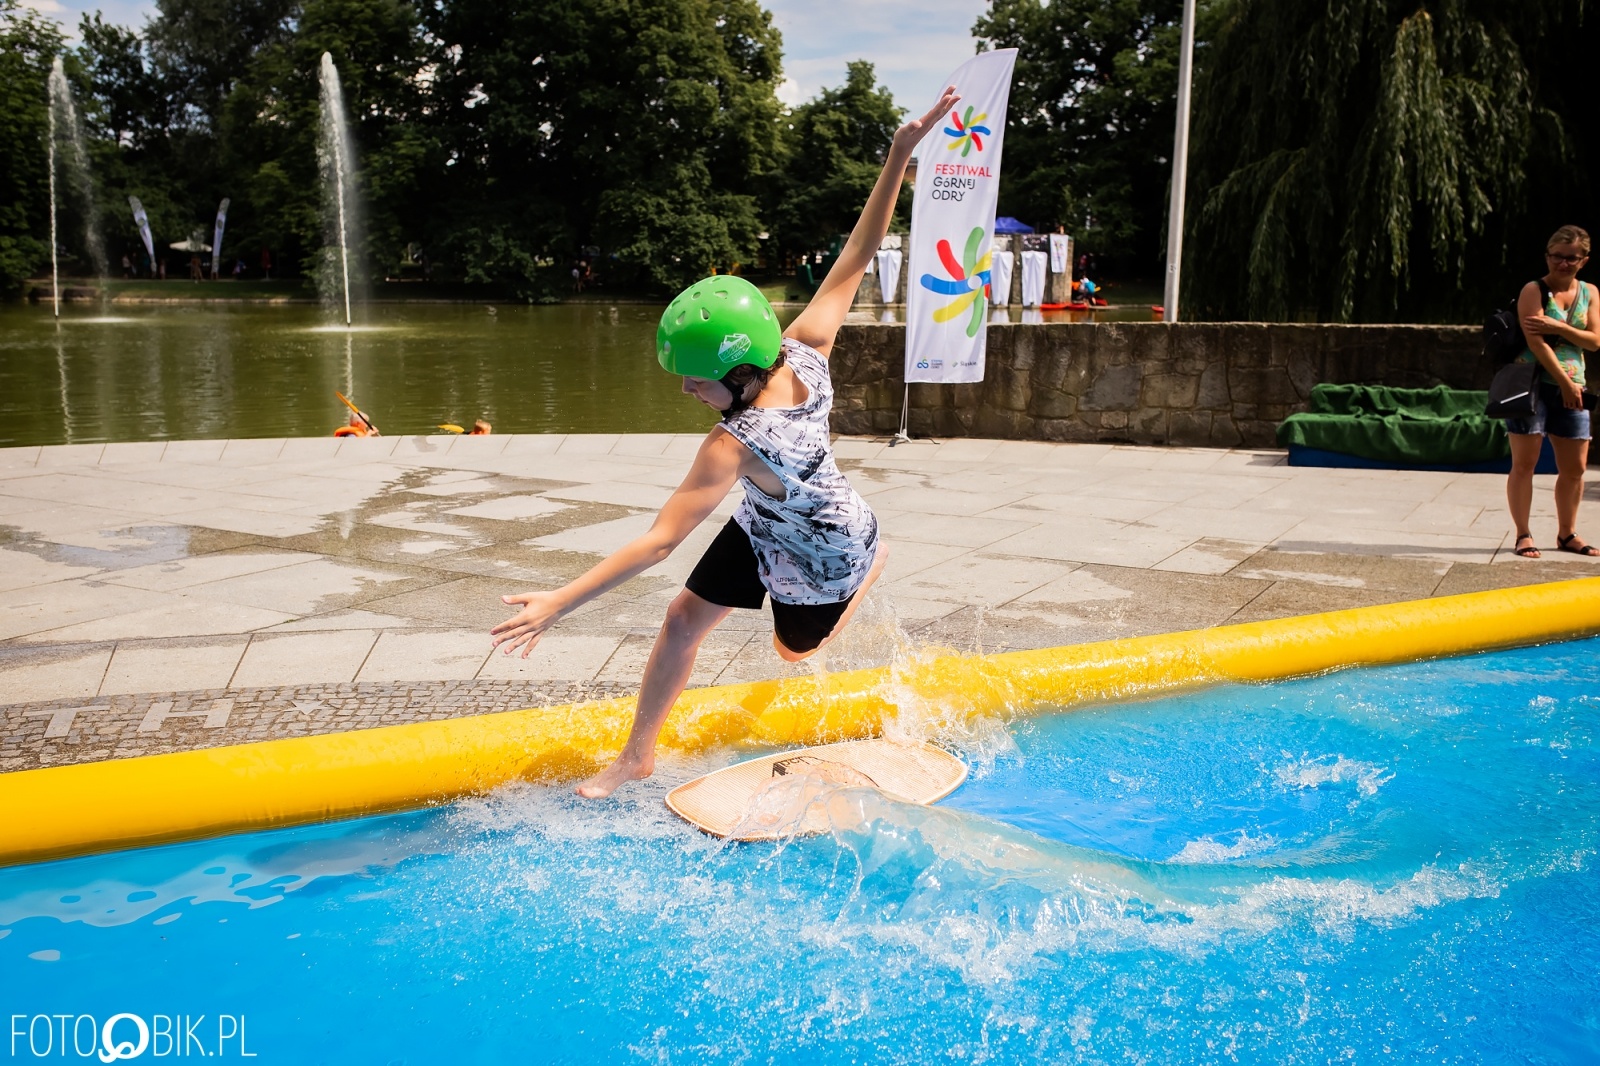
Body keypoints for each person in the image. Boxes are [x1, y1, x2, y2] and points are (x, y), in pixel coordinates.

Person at [491, 84, 962, 799]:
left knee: (791, 651)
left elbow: (656, 542)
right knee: (685, 616)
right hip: (768, 518)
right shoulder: (806, 346)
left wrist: (560, 601)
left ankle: (874, 562)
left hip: (833, 548)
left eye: (697, 381)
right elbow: (861, 253)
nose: (687, 392)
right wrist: (899, 154)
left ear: (743, 374)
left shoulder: (732, 442)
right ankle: (636, 757)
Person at [1506, 224, 1599, 558]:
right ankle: (1523, 534)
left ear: (1583, 260)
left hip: (1575, 384)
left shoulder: (1590, 292)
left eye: (1571, 258)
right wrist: (1563, 382)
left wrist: (1556, 325)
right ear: (1547, 256)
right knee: (1525, 463)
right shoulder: (1534, 290)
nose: (1563, 263)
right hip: (1532, 384)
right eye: (1557, 257)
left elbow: (1595, 340)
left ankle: (1567, 533)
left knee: (1575, 467)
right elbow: (1536, 341)